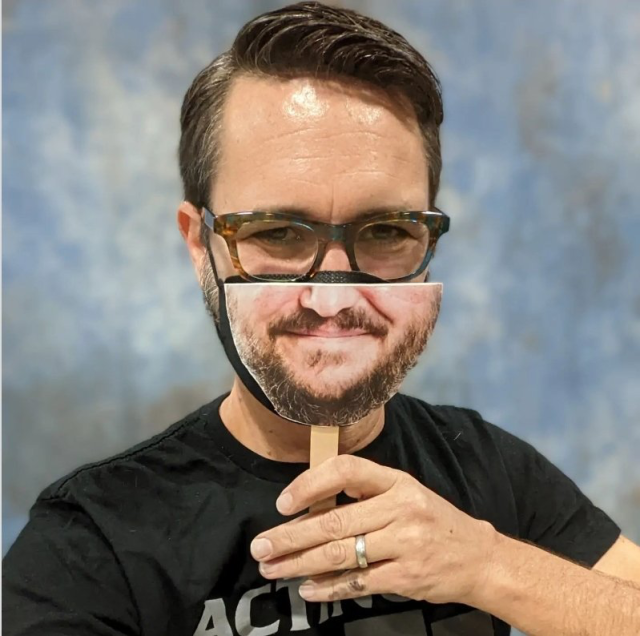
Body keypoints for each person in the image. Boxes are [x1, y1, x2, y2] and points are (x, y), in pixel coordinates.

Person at [4, 3, 640, 635]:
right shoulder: (93, 546)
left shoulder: (484, 469)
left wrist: (488, 566)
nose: (333, 299)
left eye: (388, 230)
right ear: (200, 245)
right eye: (278, 233)